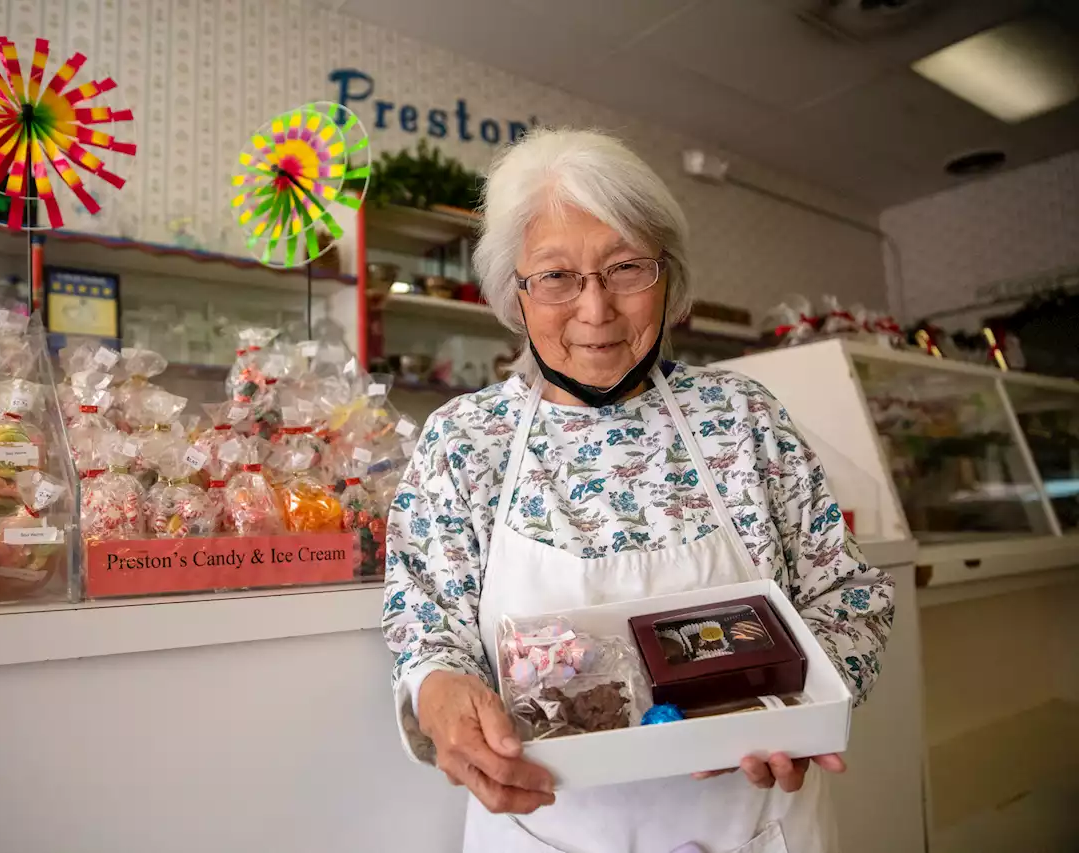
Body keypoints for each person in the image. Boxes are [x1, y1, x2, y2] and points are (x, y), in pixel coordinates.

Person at [381, 128, 895, 853]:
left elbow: (849, 591)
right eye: (557, 276)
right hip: (543, 830)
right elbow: (425, 622)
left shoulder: (741, 418)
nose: (596, 310)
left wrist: (800, 708)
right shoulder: (463, 441)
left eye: (626, 268)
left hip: (755, 823)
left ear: (668, 276)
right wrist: (439, 693)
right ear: (514, 292)